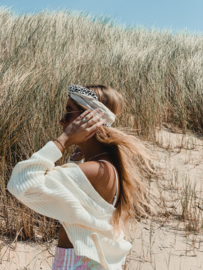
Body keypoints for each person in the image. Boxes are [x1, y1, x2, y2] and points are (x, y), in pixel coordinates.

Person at [7, 84, 156, 270]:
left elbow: (21, 184)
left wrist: (63, 141)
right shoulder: (106, 166)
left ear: (88, 119)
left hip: (77, 262)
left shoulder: (95, 169)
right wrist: (76, 160)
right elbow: (85, 205)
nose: (62, 121)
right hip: (86, 260)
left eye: (69, 111)